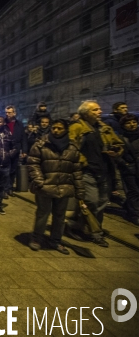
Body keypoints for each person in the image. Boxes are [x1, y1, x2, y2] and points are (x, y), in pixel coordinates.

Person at [67, 100, 124, 247]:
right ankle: (88, 230)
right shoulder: (77, 127)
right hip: (86, 171)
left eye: (99, 109)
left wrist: (116, 150)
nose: (99, 112)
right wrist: (82, 160)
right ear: (85, 113)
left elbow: (117, 143)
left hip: (104, 170)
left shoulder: (104, 127)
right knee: (91, 201)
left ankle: (89, 229)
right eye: (95, 110)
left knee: (102, 202)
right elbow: (70, 148)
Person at [27, 119, 84, 254]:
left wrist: (79, 189)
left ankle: (55, 241)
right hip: (45, 186)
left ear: (66, 130)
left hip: (63, 187)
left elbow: (76, 170)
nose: (56, 131)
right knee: (43, 214)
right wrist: (40, 181)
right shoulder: (41, 144)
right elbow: (33, 163)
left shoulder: (72, 147)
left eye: (60, 128)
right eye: (54, 128)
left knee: (60, 216)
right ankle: (36, 238)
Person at [115, 114, 139, 226]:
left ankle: (130, 209)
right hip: (129, 168)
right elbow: (116, 154)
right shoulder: (120, 138)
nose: (132, 124)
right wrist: (124, 163)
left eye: (134, 122)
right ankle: (135, 215)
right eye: (128, 123)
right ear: (123, 125)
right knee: (133, 192)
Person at [4, 105, 28, 197]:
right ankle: (4, 189)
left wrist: (24, 150)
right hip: (5, 150)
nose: (7, 114)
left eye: (9, 112)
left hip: (16, 150)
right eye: (6, 112)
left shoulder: (19, 124)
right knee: (5, 170)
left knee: (13, 170)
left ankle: (10, 188)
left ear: (14, 113)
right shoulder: (3, 123)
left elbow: (23, 138)